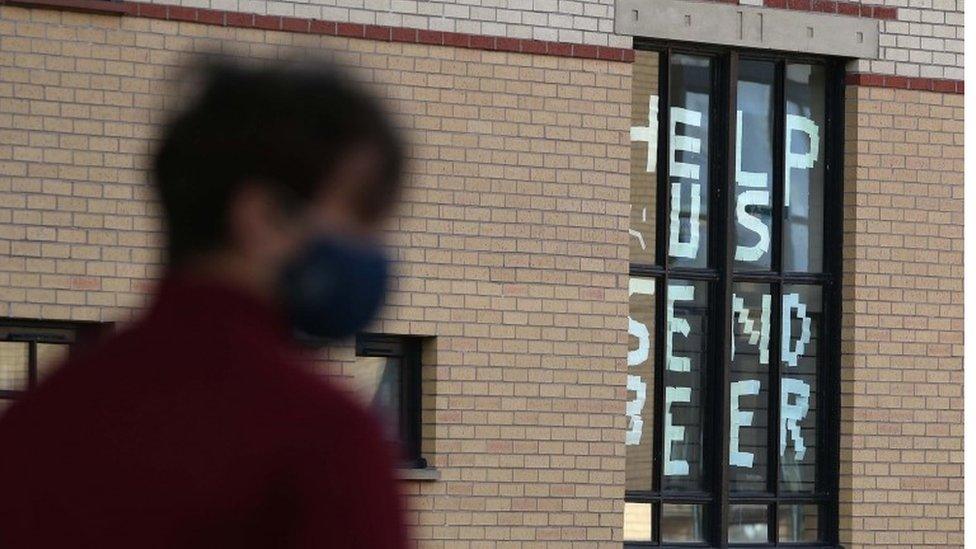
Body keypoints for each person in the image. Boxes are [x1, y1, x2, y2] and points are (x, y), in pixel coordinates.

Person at [0, 54, 409, 548]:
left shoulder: (40, 418)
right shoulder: (323, 440)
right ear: (263, 217)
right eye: (363, 212)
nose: (377, 245)